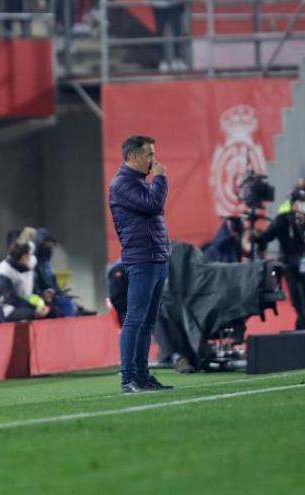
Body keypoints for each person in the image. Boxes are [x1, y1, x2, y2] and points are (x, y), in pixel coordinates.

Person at [108, 134, 173, 394]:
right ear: (133, 156)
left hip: (156, 257)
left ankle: (142, 375)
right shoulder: (122, 184)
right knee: (135, 319)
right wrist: (161, 179)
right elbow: (154, 205)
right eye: (149, 155)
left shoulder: (138, 182)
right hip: (142, 259)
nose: (153, 160)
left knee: (147, 321)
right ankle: (128, 378)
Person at [256, 189, 305, 330]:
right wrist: (257, 239)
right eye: (300, 202)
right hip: (290, 267)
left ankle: (301, 330)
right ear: (293, 204)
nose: (304, 205)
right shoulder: (283, 220)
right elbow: (268, 235)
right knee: (299, 302)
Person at [0, 241, 50, 322]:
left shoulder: (25, 270)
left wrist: (43, 297)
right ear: (24, 257)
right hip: (0, 309)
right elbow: (9, 300)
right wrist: (33, 311)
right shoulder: (2, 272)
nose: (32, 259)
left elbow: (29, 294)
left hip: (19, 305)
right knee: (28, 314)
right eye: (30, 256)